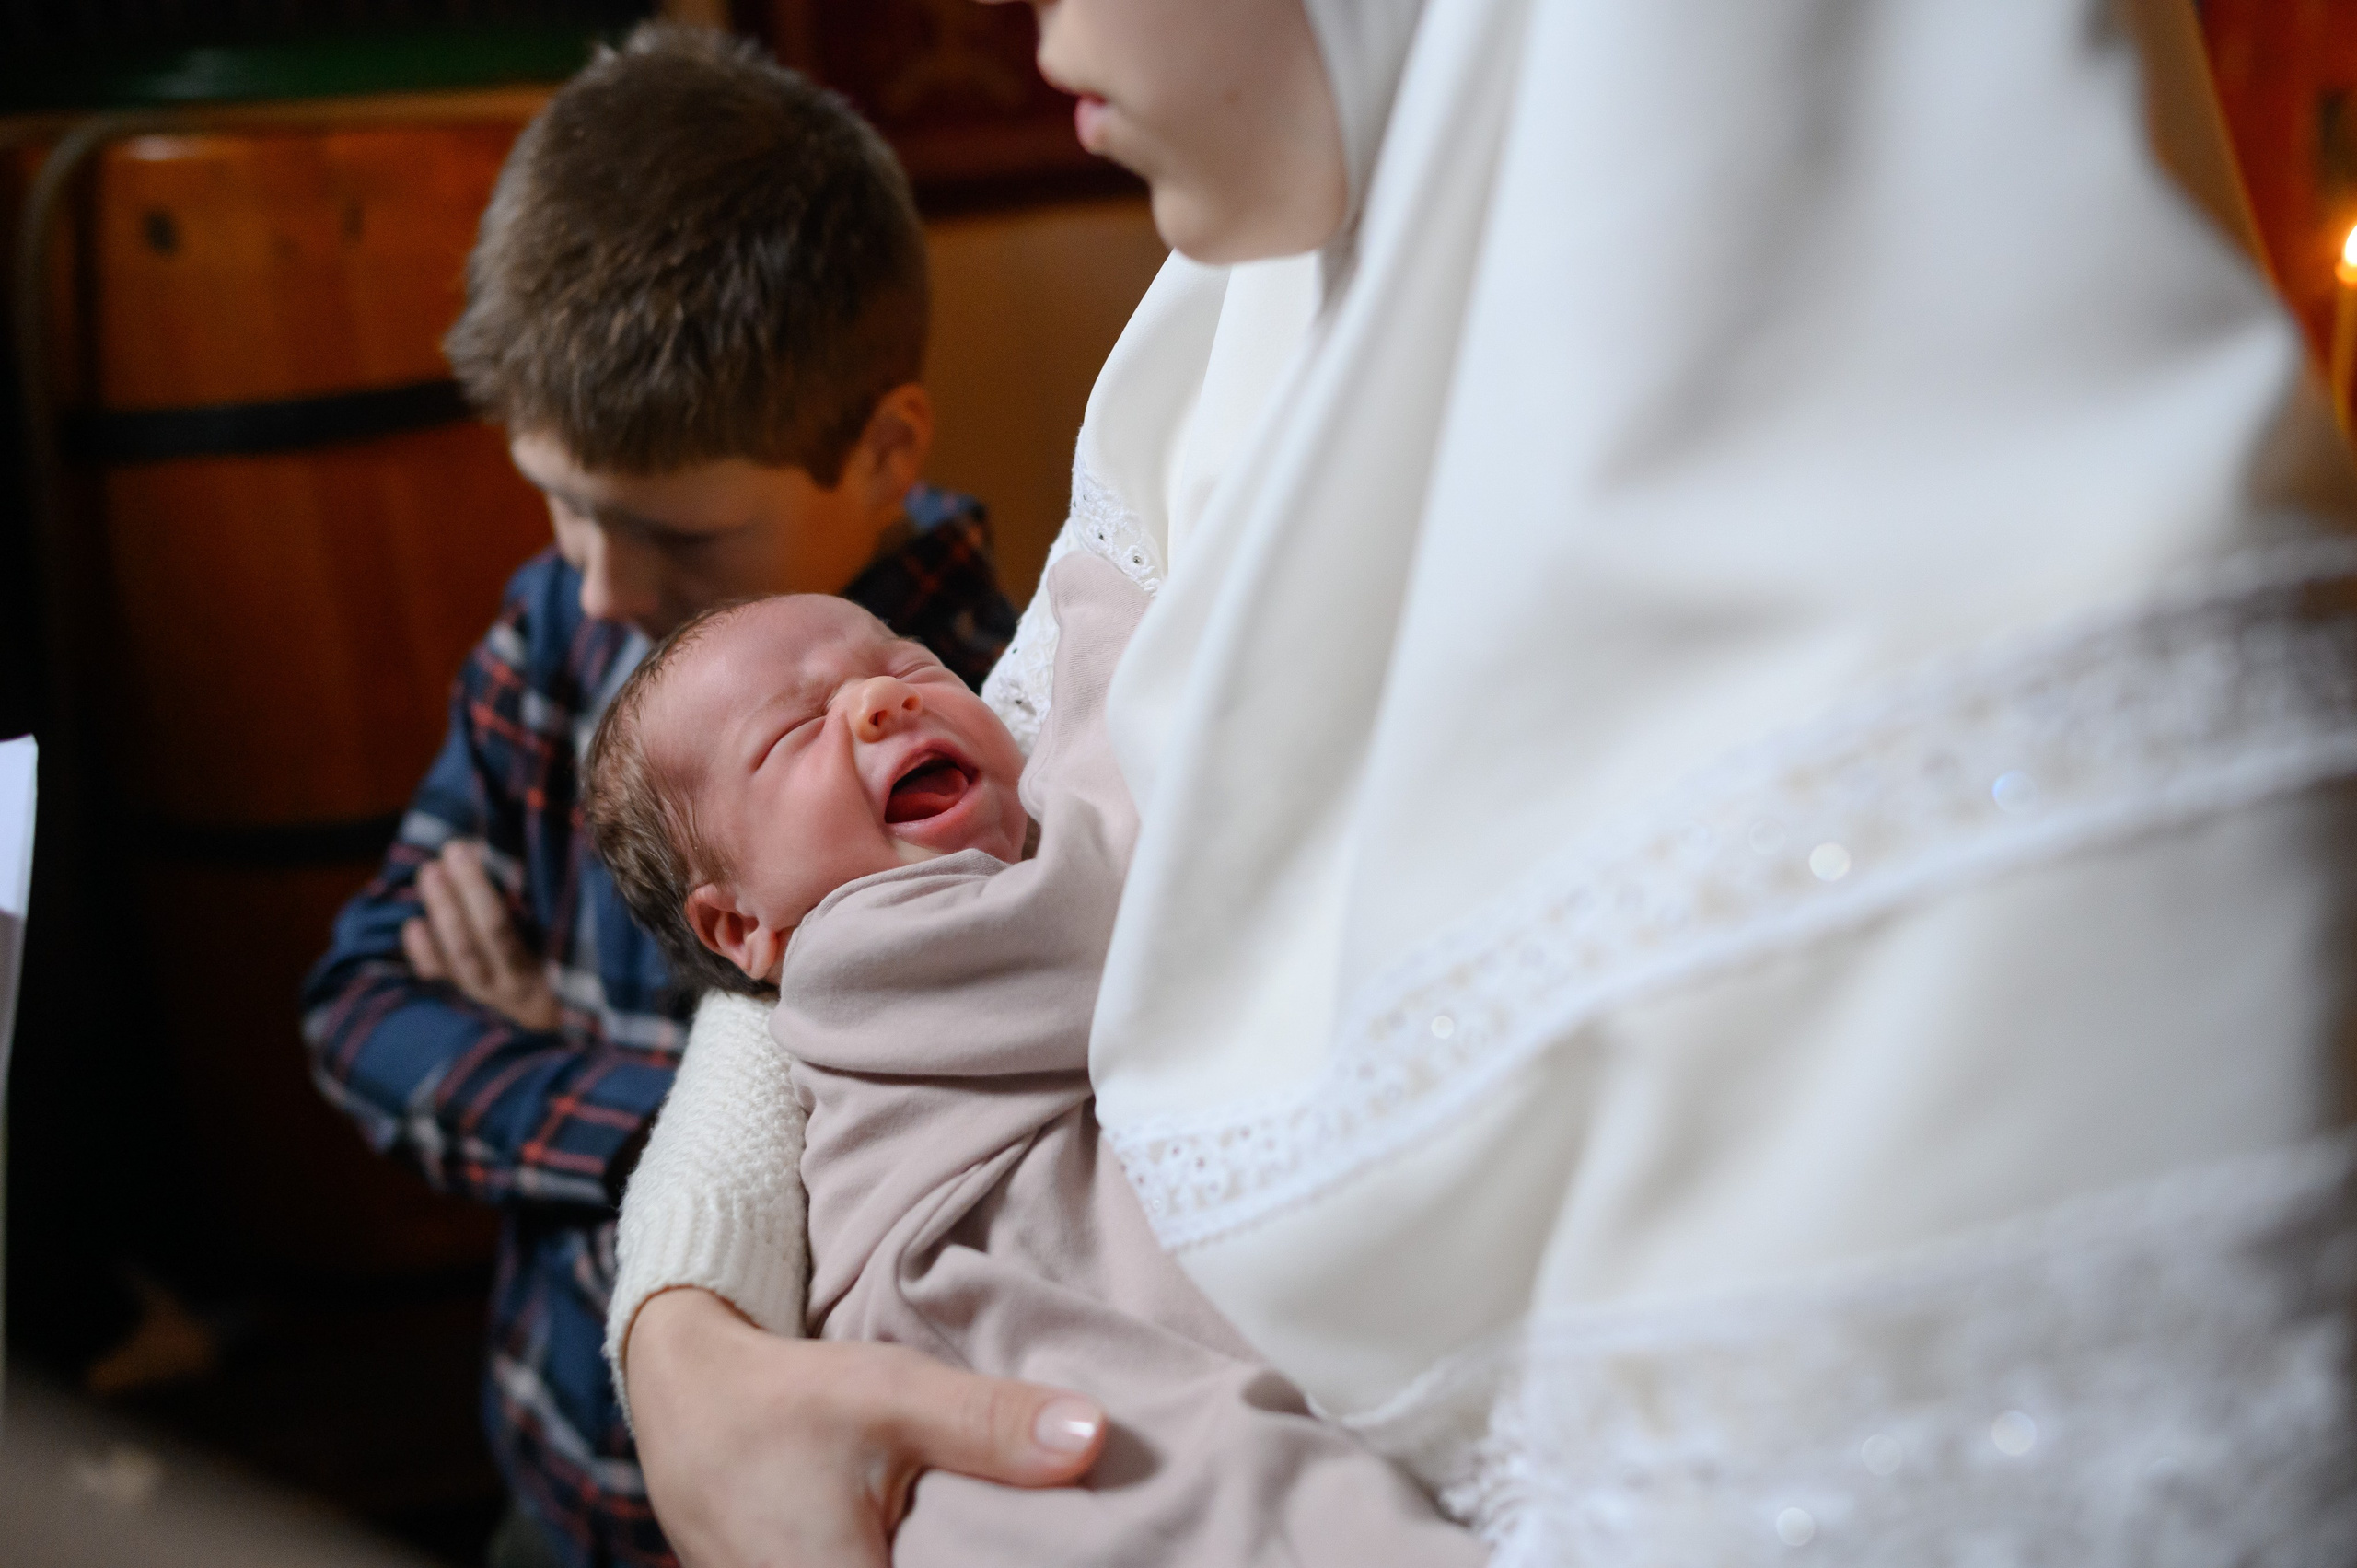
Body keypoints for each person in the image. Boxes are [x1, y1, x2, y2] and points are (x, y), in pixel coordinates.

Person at [620, 0, 2357, 1562]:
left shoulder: (2078, 734)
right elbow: (867, 927)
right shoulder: (1230, 322)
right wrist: (685, 1332)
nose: (1031, 33)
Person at [299, 26, 1016, 1568]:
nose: (604, 589)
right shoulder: (552, 635)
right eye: (560, 503)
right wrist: (659, 1131)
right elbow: (357, 1006)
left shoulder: (985, 721)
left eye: (678, 539)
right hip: (556, 1461)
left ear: (885, 450)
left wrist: (537, 1064)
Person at [582, 560, 1481, 1565]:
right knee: (1239, 1497)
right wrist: (1108, 629)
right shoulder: (853, 951)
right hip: (979, 1319)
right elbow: (1120, 896)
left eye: (908, 664)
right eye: (797, 730)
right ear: (742, 922)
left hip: (1057, 1290)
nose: (882, 700)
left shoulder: (978, 887)